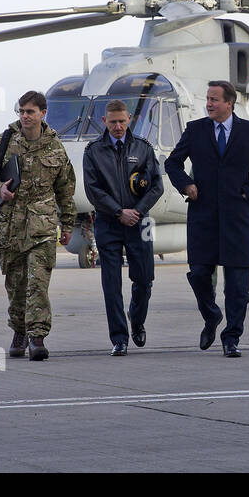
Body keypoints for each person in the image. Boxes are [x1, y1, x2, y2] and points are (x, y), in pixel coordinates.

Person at [165, 80, 249, 357]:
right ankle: (211, 314)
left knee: (238, 286)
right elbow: (172, 163)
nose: (209, 104)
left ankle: (231, 338)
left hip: (236, 216)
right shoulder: (195, 130)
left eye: (215, 99)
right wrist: (186, 184)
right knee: (199, 274)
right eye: (208, 99)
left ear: (229, 103)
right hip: (203, 215)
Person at [0, 91, 76, 361]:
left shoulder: (55, 148)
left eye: (30, 112)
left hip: (42, 229)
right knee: (16, 285)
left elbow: (66, 189)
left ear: (43, 113)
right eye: (21, 111)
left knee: (37, 284)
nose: (24, 116)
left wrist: (68, 224)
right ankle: (18, 330)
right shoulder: (5, 141)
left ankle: (37, 338)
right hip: (9, 228)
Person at [81, 100, 164, 356]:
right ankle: (119, 338)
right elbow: (93, 189)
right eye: (113, 122)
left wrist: (136, 211)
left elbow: (156, 186)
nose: (118, 126)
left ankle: (136, 319)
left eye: (122, 121)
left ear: (130, 119)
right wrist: (119, 212)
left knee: (144, 278)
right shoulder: (93, 151)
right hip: (109, 223)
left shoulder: (143, 148)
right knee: (111, 283)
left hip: (139, 223)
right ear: (104, 121)